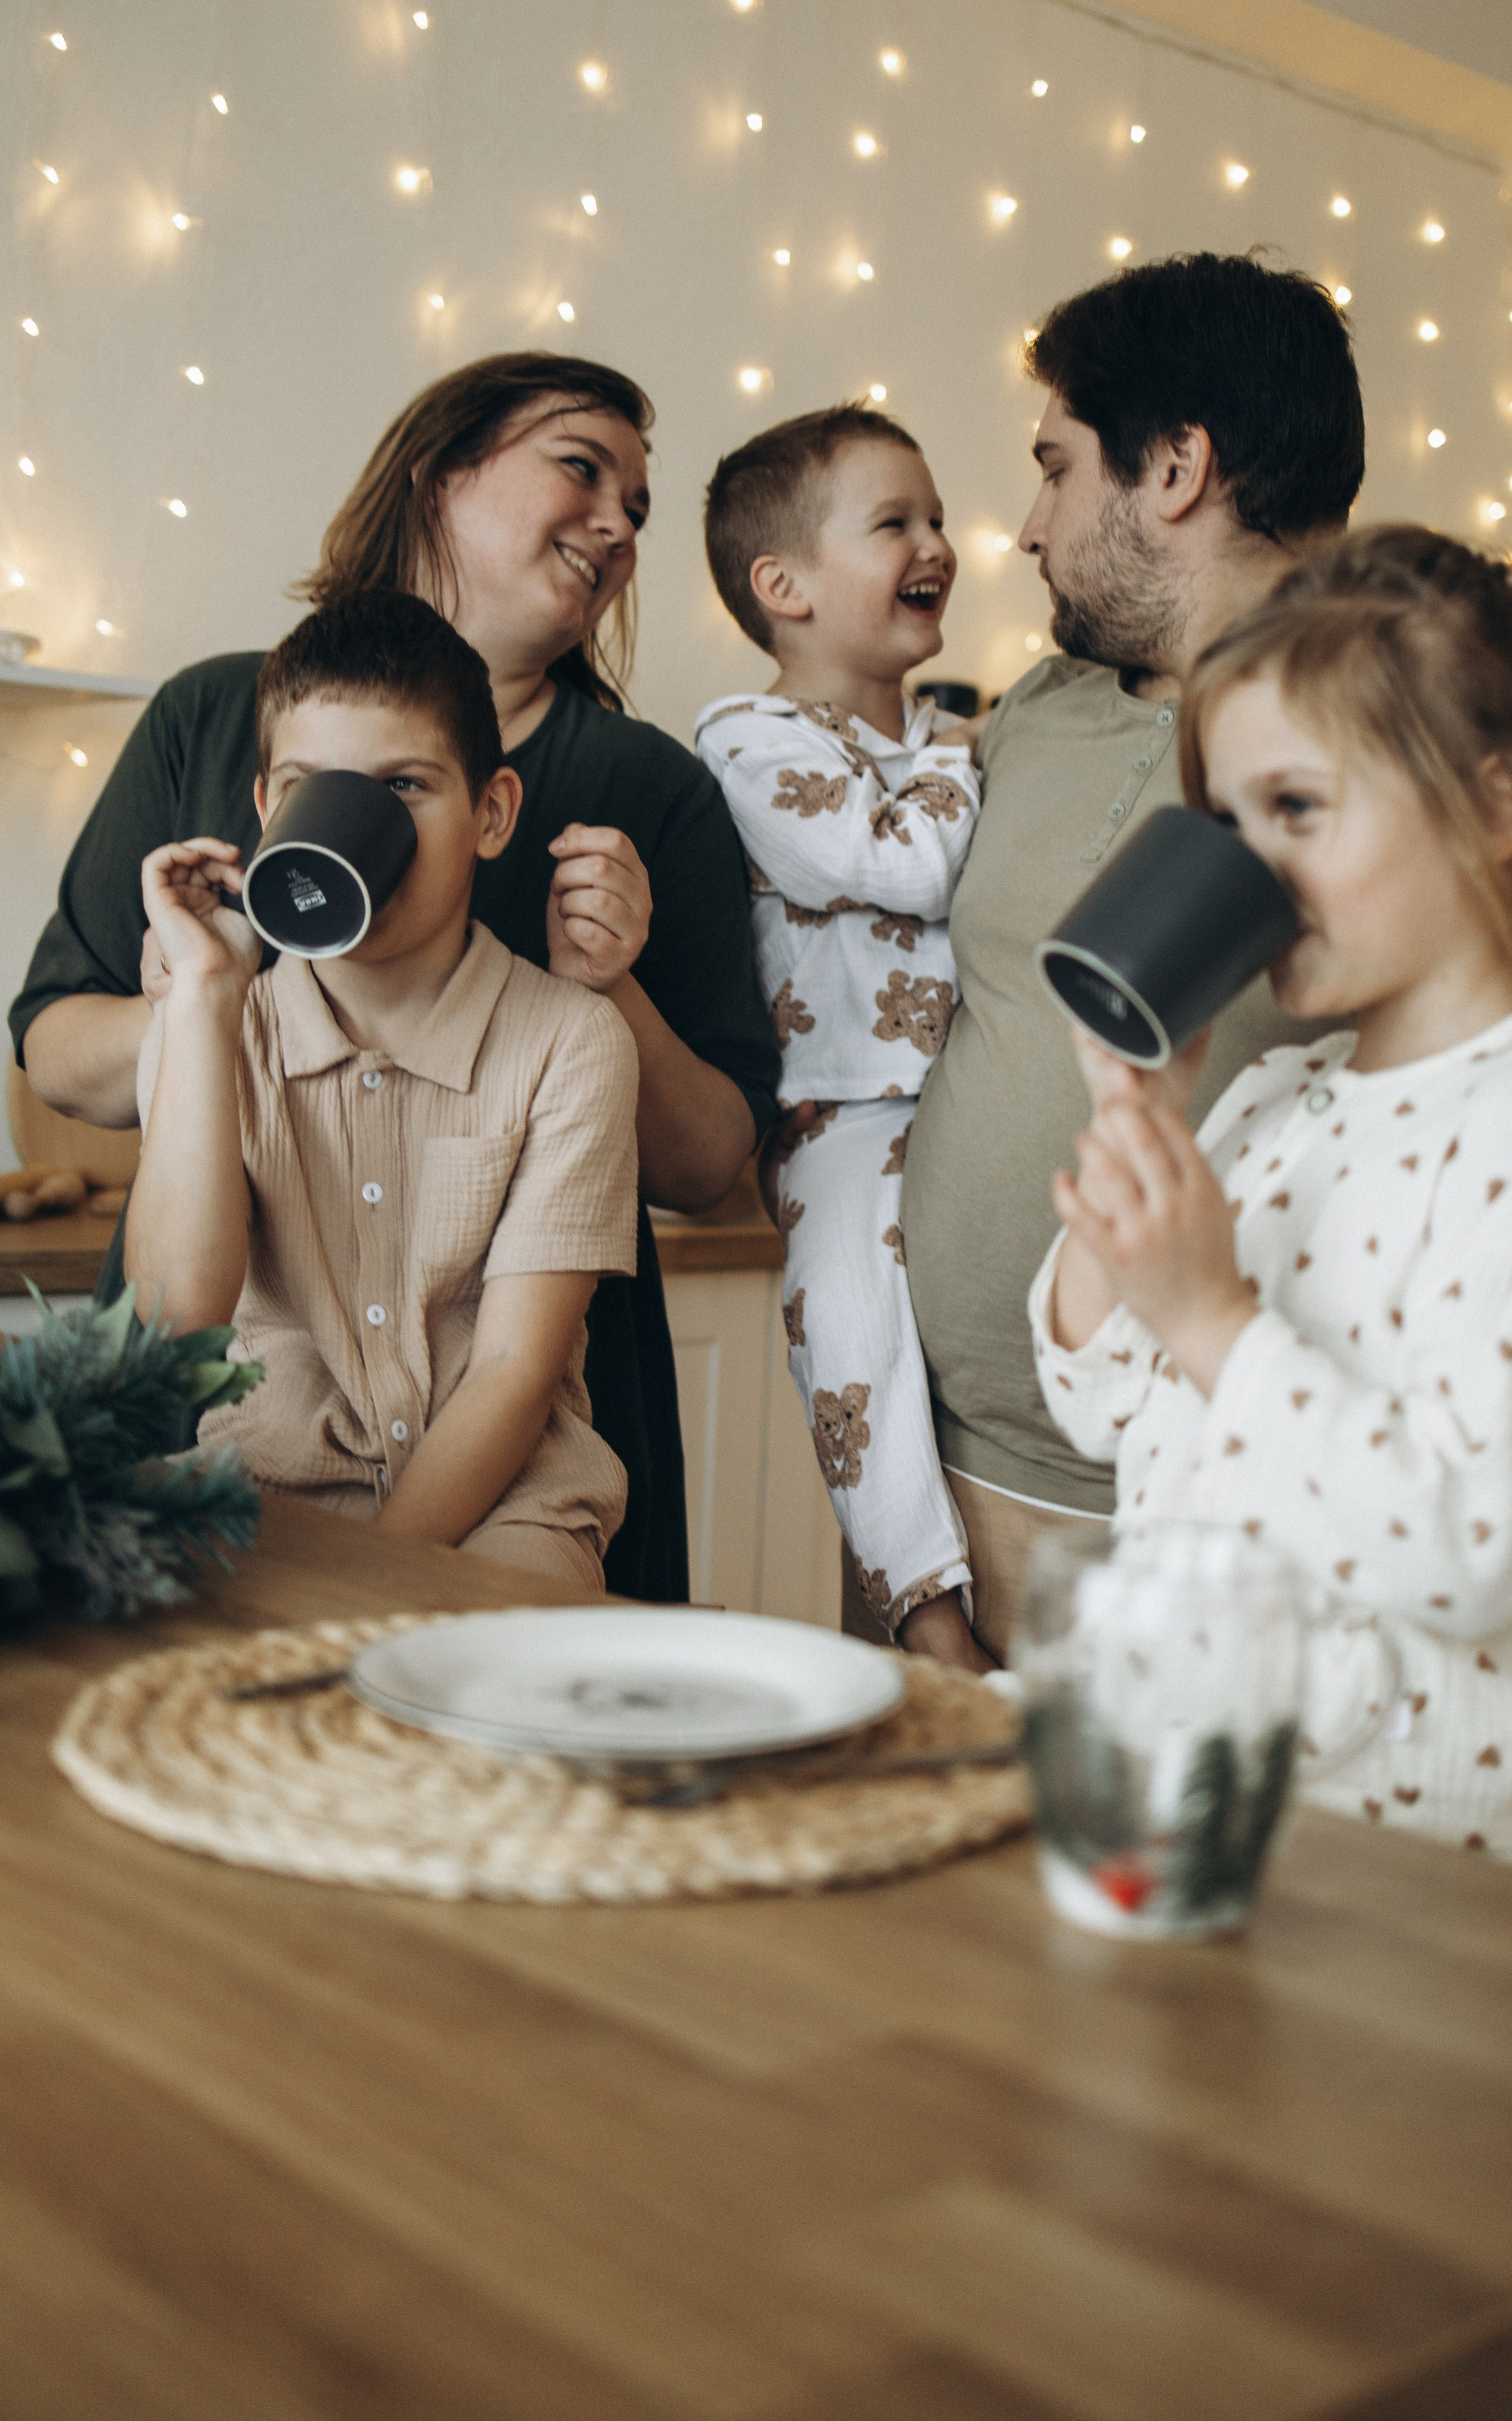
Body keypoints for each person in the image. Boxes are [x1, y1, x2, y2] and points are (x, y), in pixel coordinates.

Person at [9, 353, 781, 1606]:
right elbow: (53, 1045)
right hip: (244, 1403)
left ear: (491, 813)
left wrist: (612, 992)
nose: (618, 525)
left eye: (638, 507)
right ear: (442, 472)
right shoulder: (215, 714)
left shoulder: (655, 793)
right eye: (582, 469)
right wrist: (199, 1013)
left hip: (510, 1431)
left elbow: (704, 1169)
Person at [1031, 527, 1512, 1869]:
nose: (1249, 871)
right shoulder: (1273, 1102)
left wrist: (1214, 1322)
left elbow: (1471, 1545)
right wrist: (1133, 1124)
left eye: (1295, 812)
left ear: (1492, 811)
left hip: (1401, 1865)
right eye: (1226, 823)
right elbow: (1096, 1404)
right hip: (1195, 1795)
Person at [898, 252, 1366, 1662]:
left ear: (1173, 467)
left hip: (1217, 1509)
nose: (1030, 528)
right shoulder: (1035, 705)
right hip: (938, 1484)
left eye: (1055, 468)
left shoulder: (1381, 752)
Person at [127, 593, 638, 1582]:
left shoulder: (571, 1042)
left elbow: (513, 1369)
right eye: (317, 789)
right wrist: (200, 1001)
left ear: (490, 815)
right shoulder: (209, 1030)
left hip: (508, 1504)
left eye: (404, 787)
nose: (360, 824)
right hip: (266, 1493)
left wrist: (371, 1578)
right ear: (272, 813)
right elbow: (174, 1320)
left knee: (496, 1675)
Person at [696, 404, 988, 1668]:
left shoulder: (939, 744)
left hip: (968, 1099)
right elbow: (903, 863)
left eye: (934, 517)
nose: (936, 541)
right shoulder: (747, 740)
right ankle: (927, 1617)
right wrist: (970, 758)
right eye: (894, 522)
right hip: (839, 1111)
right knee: (850, 1326)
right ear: (785, 587)